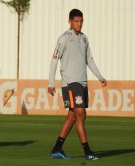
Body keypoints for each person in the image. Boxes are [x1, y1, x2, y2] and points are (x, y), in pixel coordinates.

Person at [48, 9, 107, 160]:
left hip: (82, 82)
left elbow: (90, 60)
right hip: (70, 82)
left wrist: (100, 77)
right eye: (76, 21)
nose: (79, 24)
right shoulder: (64, 39)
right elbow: (54, 59)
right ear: (69, 22)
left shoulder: (84, 38)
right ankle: (87, 152)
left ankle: (56, 149)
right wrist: (51, 83)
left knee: (73, 116)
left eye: (81, 21)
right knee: (81, 114)